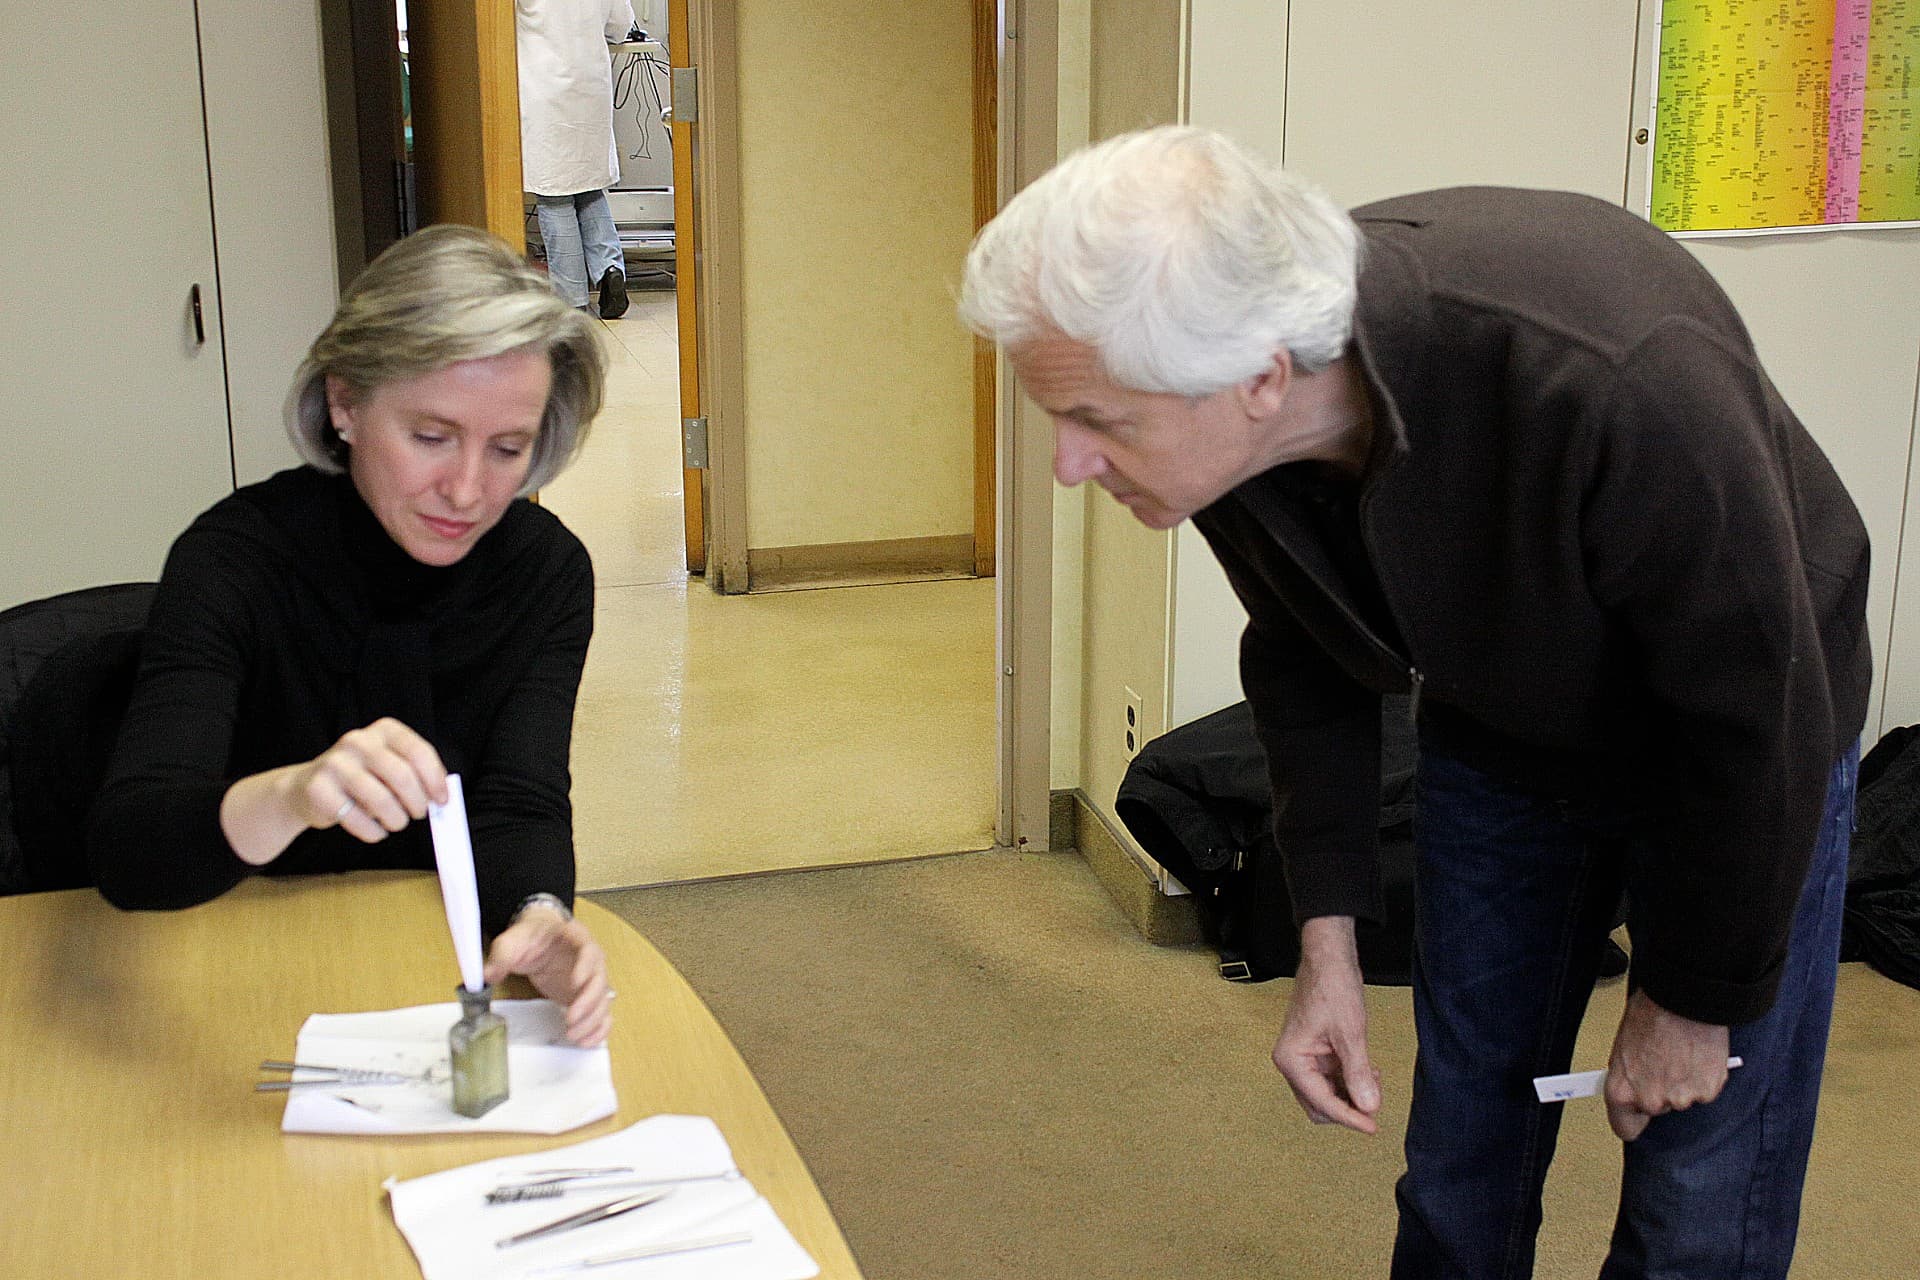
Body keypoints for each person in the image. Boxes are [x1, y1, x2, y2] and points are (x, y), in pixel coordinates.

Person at [961, 126, 1870, 1278]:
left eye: (1098, 419)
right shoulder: (1232, 411)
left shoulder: (1611, 373)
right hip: (1505, 725)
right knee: (1461, 1150)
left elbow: (1759, 716)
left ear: (1257, 378)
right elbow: (1304, 648)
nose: (1068, 465)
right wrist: (1325, 942)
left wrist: (1693, 997)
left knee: (1699, 1183)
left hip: (1750, 737)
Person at [88, 225, 615, 1048]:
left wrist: (540, 914)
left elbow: (520, 798)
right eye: (431, 437)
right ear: (344, 403)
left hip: (404, 956)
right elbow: (134, 847)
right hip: (210, 947)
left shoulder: (545, 574)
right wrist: (293, 794)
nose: (468, 490)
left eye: (508, 448)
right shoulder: (234, 559)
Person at [516, 0, 638, 319]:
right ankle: (609, 268)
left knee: (554, 196)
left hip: (544, 91)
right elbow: (620, 25)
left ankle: (571, 300)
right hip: (589, 88)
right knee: (589, 187)